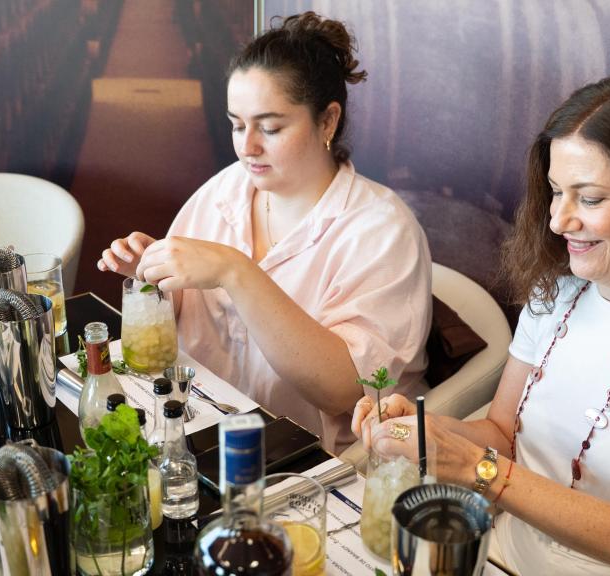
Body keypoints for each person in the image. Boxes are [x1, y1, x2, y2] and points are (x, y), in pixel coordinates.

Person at [353, 71, 610, 575]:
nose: (558, 220)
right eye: (556, 192)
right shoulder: (556, 293)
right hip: (509, 549)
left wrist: (476, 470)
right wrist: (423, 430)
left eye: (590, 198)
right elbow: (503, 433)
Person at [98, 12, 431, 451]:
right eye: (237, 124)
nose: (247, 146)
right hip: (203, 429)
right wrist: (152, 278)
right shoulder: (226, 190)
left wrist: (236, 271)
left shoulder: (382, 230)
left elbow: (344, 388)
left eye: (270, 128)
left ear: (327, 121)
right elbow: (184, 316)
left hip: (312, 462)